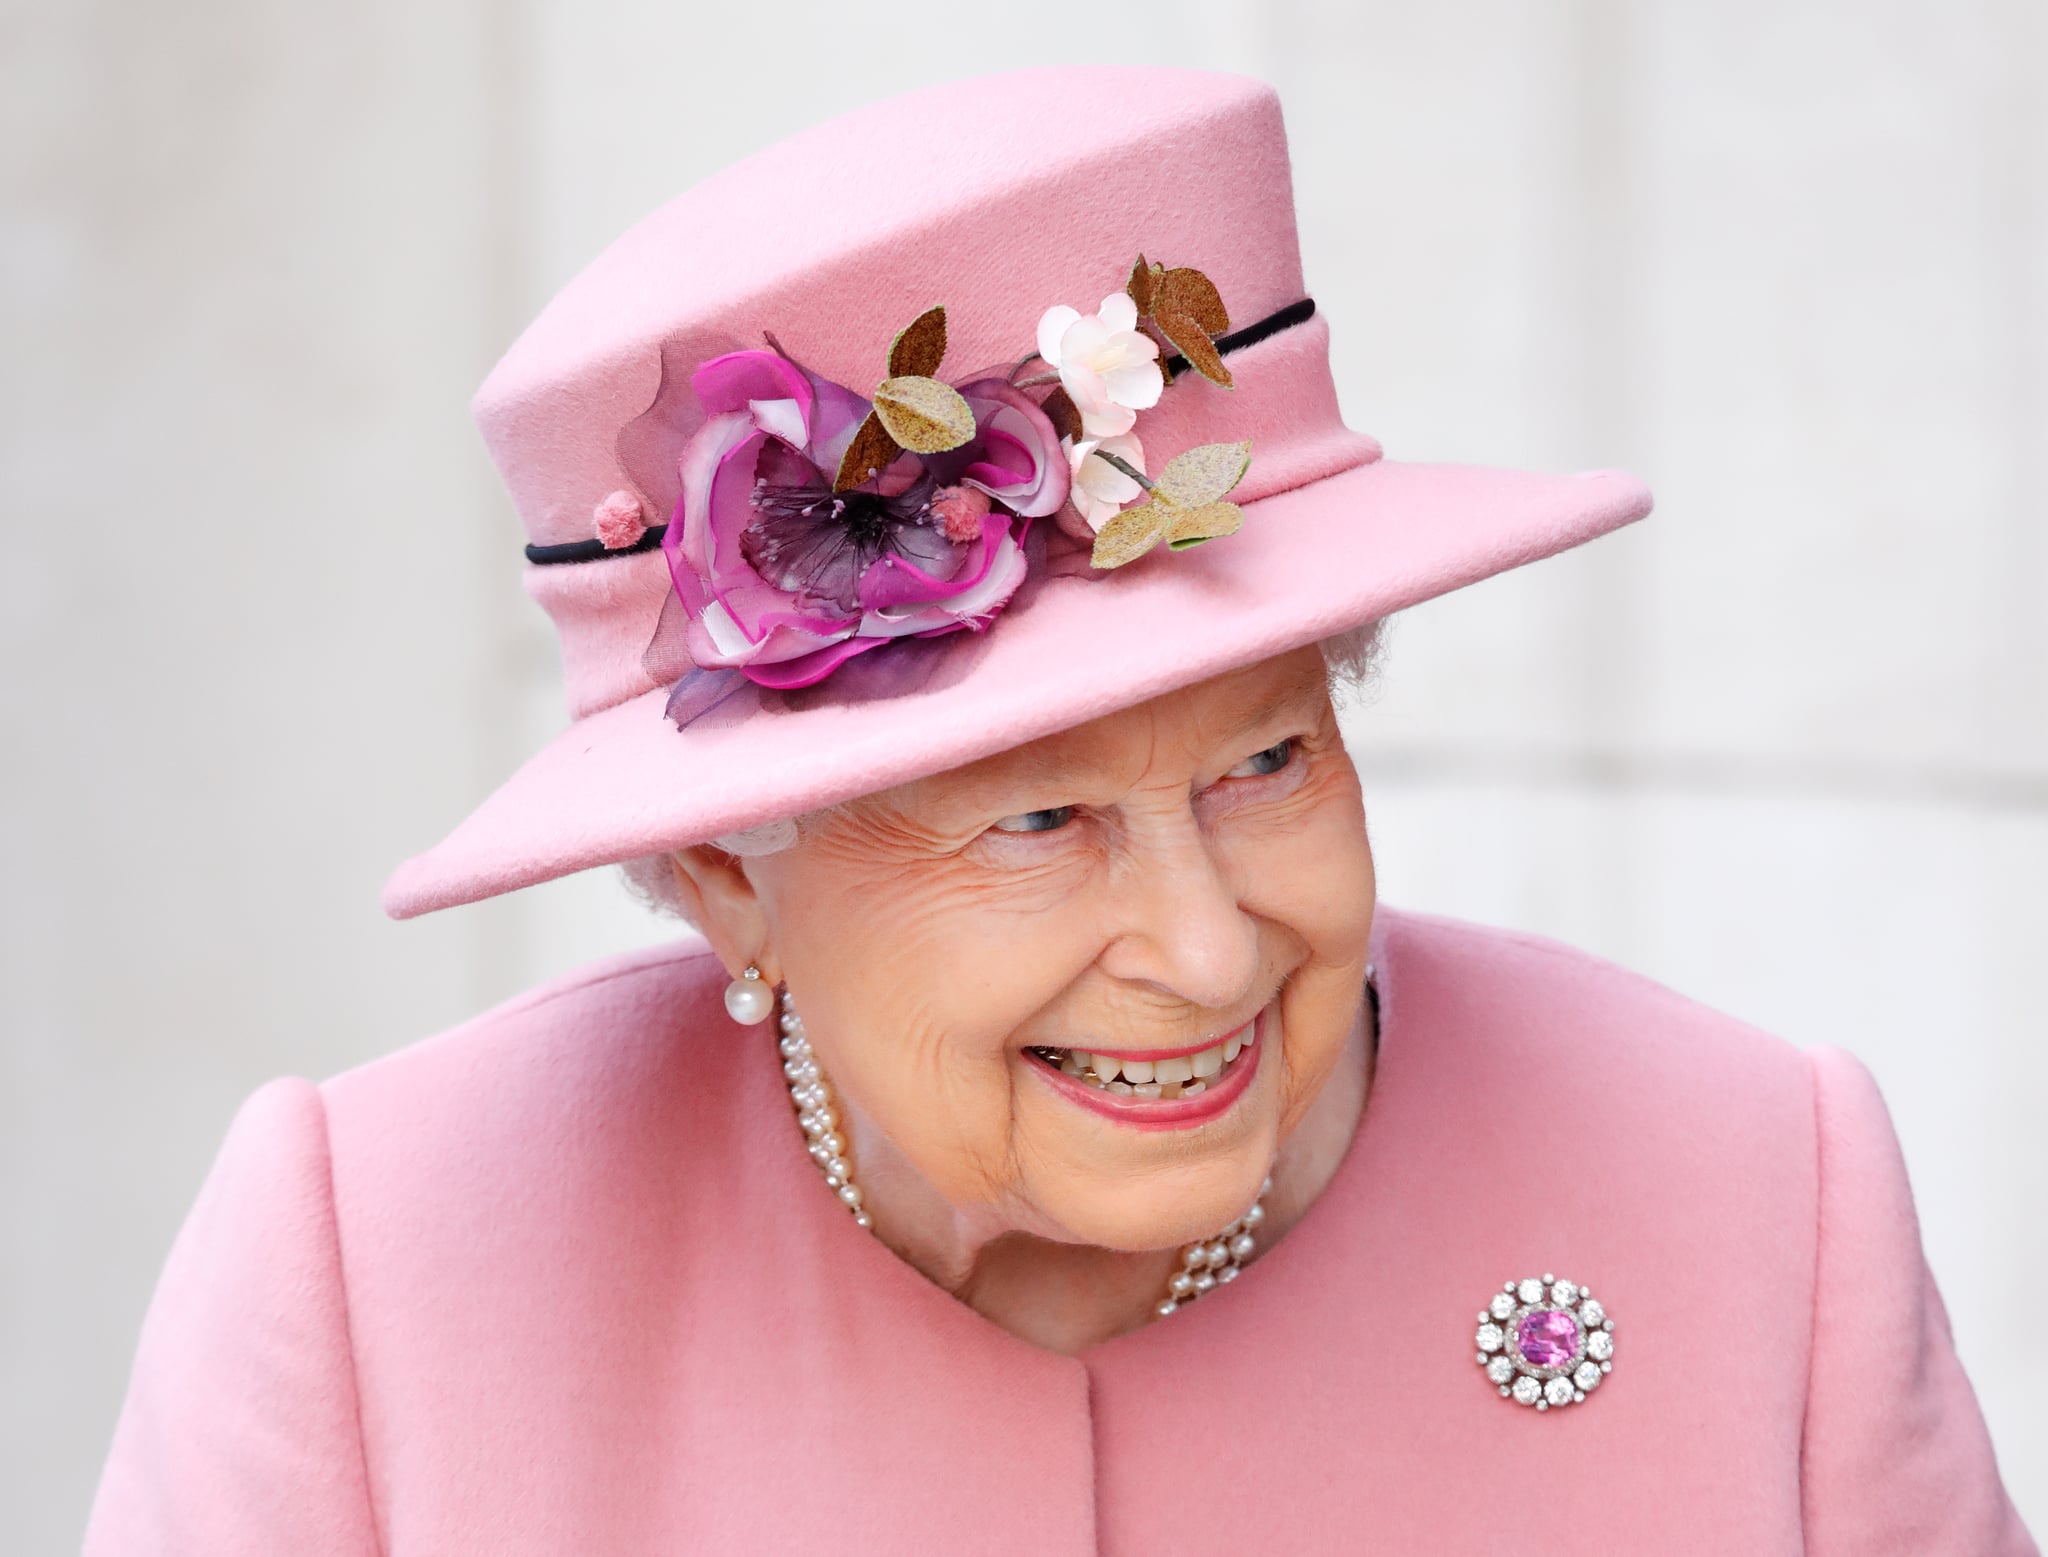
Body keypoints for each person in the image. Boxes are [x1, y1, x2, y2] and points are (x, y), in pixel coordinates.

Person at [85, 66, 2034, 1555]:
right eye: (1035, 822)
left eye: (1266, 758)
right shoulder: (380, 1273)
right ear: (715, 883)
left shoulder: (1750, 1195)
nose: (1203, 947)